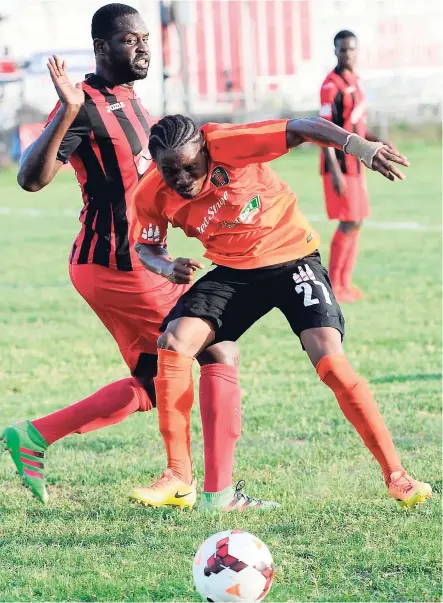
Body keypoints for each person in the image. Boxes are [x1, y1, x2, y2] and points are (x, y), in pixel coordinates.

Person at [1, 4, 268, 513]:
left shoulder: (133, 101)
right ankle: (208, 490)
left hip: (130, 264)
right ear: (102, 47)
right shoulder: (85, 105)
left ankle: (34, 437)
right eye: (130, 40)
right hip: (118, 265)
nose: (143, 46)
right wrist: (65, 110)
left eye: (145, 38)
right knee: (215, 351)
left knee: (150, 384)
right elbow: (31, 179)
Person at [131, 113, 432, 510]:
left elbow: (302, 126)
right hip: (234, 272)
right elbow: (146, 246)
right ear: (156, 165)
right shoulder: (149, 193)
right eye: (171, 172)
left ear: (205, 150)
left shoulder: (228, 143)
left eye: (191, 167)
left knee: (330, 358)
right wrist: (168, 267)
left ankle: (398, 476)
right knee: (174, 341)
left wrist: (359, 147)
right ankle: (177, 476)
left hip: (293, 257)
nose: (183, 179)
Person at [320, 30, 394, 302]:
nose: (347, 54)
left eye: (351, 49)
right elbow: (323, 130)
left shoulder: (356, 82)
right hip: (339, 163)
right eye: (342, 50)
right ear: (335, 51)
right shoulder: (330, 86)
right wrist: (336, 171)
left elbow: (356, 126)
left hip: (357, 161)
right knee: (348, 222)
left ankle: (345, 284)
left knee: (357, 221)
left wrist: (378, 141)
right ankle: (334, 286)